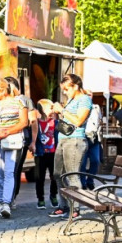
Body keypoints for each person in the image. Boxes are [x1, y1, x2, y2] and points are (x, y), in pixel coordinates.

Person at [49, 74, 92, 219]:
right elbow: (67, 120)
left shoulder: (85, 99)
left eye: (67, 89)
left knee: (72, 174)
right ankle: (64, 206)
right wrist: (56, 113)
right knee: (57, 174)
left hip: (75, 140)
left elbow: (79, 121)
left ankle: (76, 208)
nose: (65, 92)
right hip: (62, 139)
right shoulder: (71, 100)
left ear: (76, 86)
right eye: (64, 90)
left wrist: (62, 110)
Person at [0, 77, 28, 219]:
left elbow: (24, 122)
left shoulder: (19, 102)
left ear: (3, 90)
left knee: (9, 171)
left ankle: (6, 203)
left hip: (11, 140)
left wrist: (8, 131)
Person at [6, 77, 37, 208]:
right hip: (4, 139)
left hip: (21, 140)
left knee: (15, 169)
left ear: (12, 87)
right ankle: (4, 198)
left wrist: (33, 142)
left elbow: (33, 122)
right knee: (5, 170)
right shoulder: (3, 100)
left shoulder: (25, 101)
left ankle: (12, 197)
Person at [34, 100, 59, 209]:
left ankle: (53, 195)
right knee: (40, 177)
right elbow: (33, 135)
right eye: (51, 108)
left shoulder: (55, 122)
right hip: (41, 153)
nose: (53, 110)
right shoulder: (36, 123)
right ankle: (40, 199)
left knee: (54, 176)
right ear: (43, 110)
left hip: (53, 153)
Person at [79, 99, 103, 190]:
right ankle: (83, 182)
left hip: (94, 138)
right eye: (87, 95)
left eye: (90, 95)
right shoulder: (81, 107)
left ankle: (90, 180)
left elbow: (100, 121)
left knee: (96, 161)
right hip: (84, 137)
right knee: (83, 163)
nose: (89, 96)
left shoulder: (96, 107)